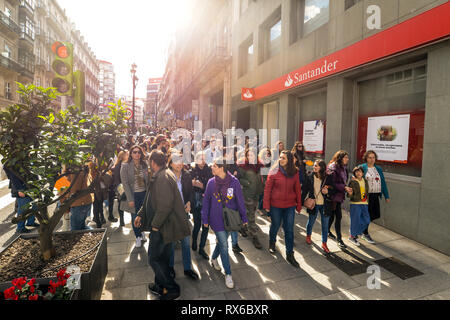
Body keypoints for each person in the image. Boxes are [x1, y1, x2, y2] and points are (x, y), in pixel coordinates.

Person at [134, 150, 191, 300]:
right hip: (162, 225)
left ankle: (172, 289)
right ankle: (160, 286)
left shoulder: (164, 177)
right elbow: (149, 198)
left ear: (153, 162)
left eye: (149, 161)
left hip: (162, 226)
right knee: (162, 258)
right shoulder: (160, 174)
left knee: (154, 258)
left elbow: (165, 206)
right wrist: (140, 213)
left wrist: (155, 226)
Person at [202, 157, 248, 289]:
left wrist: (244, 217)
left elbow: (239, 200)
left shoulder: (234, 182)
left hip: (230, 219)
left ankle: (214, 258)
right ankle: (228, 273)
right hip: (215, 220)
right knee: (224, 245)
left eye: (214, 166)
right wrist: (205, 218)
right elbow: (206, 202)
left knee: (221, 243)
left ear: (222, 168)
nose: (212, 168)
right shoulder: (211, 183)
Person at [263, 150, 302, 268]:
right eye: (280, 157)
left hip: (290, 205)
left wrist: (299, 204)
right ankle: (272, 242)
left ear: (289, 160)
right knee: (275, 225)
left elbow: (297, 189)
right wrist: (266, 206)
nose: (281, 160)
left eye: (284, 158)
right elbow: (267, 190)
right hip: (276, 205)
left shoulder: (294, 172)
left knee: (289, 229)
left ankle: (290, 254)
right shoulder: (273, 171)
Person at [168, 152, 199, 280]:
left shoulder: (186, 175)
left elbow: (191, 192)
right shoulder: (166, 176)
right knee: (170, 242)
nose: (180, 164)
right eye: (176, 161)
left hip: (183, 213)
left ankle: (187, 268)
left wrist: (189, 202)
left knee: (186, 242)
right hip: (170, 213)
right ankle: (169, 268)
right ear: (170, 164)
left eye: (181, 161)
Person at [120, 145, 149, 248]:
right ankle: (137, 236)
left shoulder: (144, 164)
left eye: (139, 152)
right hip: (133, 195)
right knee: (134, 216)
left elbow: (148, 180)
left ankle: (142, 232)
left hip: (144, 194)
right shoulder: (125, 165)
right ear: (131, 154)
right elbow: (125, 183)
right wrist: (130, 198)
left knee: (143, 215)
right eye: (135, 152)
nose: (137, 154)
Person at [359, 150, 390, 244]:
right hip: (365, 195)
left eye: (373, 157)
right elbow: (356, 181)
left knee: (374, 215)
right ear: (366, 158)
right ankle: (364, 233)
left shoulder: (378, 169)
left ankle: (361, 229)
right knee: (366, 214)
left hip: (375, 195)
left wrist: (386, 195)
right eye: (370, 157)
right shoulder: (362, 167)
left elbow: (383, 182)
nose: (372, 159)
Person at [301, 160, 331, 253]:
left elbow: (334, 189)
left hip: (325, 204)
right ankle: (308, 236)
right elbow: (304, 190)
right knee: (311, 221)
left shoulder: (327, 178)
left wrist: (328, 191)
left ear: (322, 167)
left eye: (316, 166)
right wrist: (300, 202)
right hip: (313, 204)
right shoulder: (309, 177)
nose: (314, 167)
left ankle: (324, 243)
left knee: (325, 225)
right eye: (314, 165)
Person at [238, 148, 264, 249]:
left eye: (252, 155)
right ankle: (254, 236)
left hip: (257, 194)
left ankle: (242, 227)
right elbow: (238, 179)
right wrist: (246, 183)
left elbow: (262, 178)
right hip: (247, 194)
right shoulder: (243, 166)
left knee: (250, 212)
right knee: (251, 215)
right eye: (248, 155)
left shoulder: (259, 166)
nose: (250, 157)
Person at [325, 150, 352, 249]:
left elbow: (343, 181)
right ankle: (339, 239)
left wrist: (346, 188)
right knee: (338, 217)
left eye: (347, 157)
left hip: (339, 196)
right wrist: (344, 188)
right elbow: (332, 183)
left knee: (333, 217)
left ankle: (327, 231)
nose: (347, 159)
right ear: (340, 158)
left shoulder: (344, 168)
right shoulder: (333, 167)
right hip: (333, 196)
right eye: (345, 157)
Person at [189, 151, 213, 260]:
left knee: (206, 226)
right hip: (196, 202)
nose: (202, 161)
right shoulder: (192, 171)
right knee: (197, 224)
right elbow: (189, 187)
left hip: (207, 202)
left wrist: (201, 185)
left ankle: (202, 247)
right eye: (200, 159)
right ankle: (194, 240)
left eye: (204, 159)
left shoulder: (209, 170)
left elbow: (210, 186)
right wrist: (194, 184)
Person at [4, 167, 39, 233]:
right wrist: (20, 189)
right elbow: (13, 176)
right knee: (23, 208)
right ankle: (20, 228)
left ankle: (31, 222)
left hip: (32, 186)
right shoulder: (15, 162)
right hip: (22, 188)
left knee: (35, 204)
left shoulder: (29, 159)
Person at [347, 167, 371, 246]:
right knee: (355, 220)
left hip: (364, 203)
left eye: (360, 171)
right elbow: (349, 194)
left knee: (367, 220)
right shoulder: (352, 182)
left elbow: (366, 191)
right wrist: (350, 193)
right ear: (354, 173)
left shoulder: (365, 181)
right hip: (355, 203)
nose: (358, 173)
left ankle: (355, 232)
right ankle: (352, 236)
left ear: (362, 173)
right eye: (356, 172)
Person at [109, 151, 128, 226]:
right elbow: (118, 177)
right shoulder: (121, 165)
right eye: (127, 155)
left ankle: (122, 220)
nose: (128, 156)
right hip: (120, 186)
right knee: (121, 203)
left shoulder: (117, 165)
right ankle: (122, 221)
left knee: (120, 203)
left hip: (117, 186)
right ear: (123, 156)